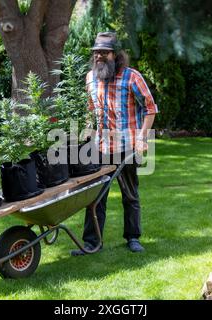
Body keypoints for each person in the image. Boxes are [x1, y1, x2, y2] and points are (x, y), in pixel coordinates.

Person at [71, 31, 158, 256]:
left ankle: (133, 238)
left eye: (104, 52)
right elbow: (91, 108)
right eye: (96, 52)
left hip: (127, 147)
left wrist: (141, 138)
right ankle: (92, 243)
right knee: (95, 196)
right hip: (100, 148)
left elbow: (150, 108)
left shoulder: (132, 77)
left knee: (130, 195)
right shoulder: (90, 78)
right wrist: (87, 132)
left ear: (115, 55)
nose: (99, 56)